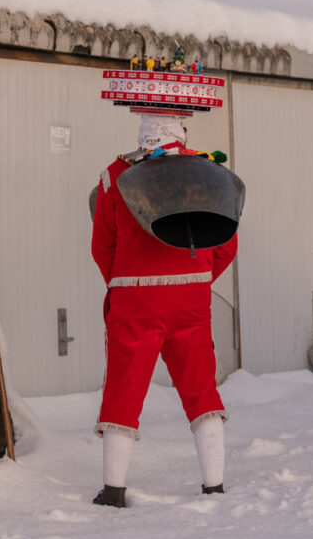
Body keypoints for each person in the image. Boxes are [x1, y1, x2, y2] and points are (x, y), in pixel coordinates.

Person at [90, 114, 235, 506]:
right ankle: (214, 484)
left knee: (123, 389)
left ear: (143, 129)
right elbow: (226, 244)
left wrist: (123, 281)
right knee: (201, 387)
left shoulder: (113, 176)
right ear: (181, 129)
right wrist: (196, 280)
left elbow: (102, 247)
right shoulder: (208, 173)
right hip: (191, 300)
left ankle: (114, 490)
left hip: (134, 300)